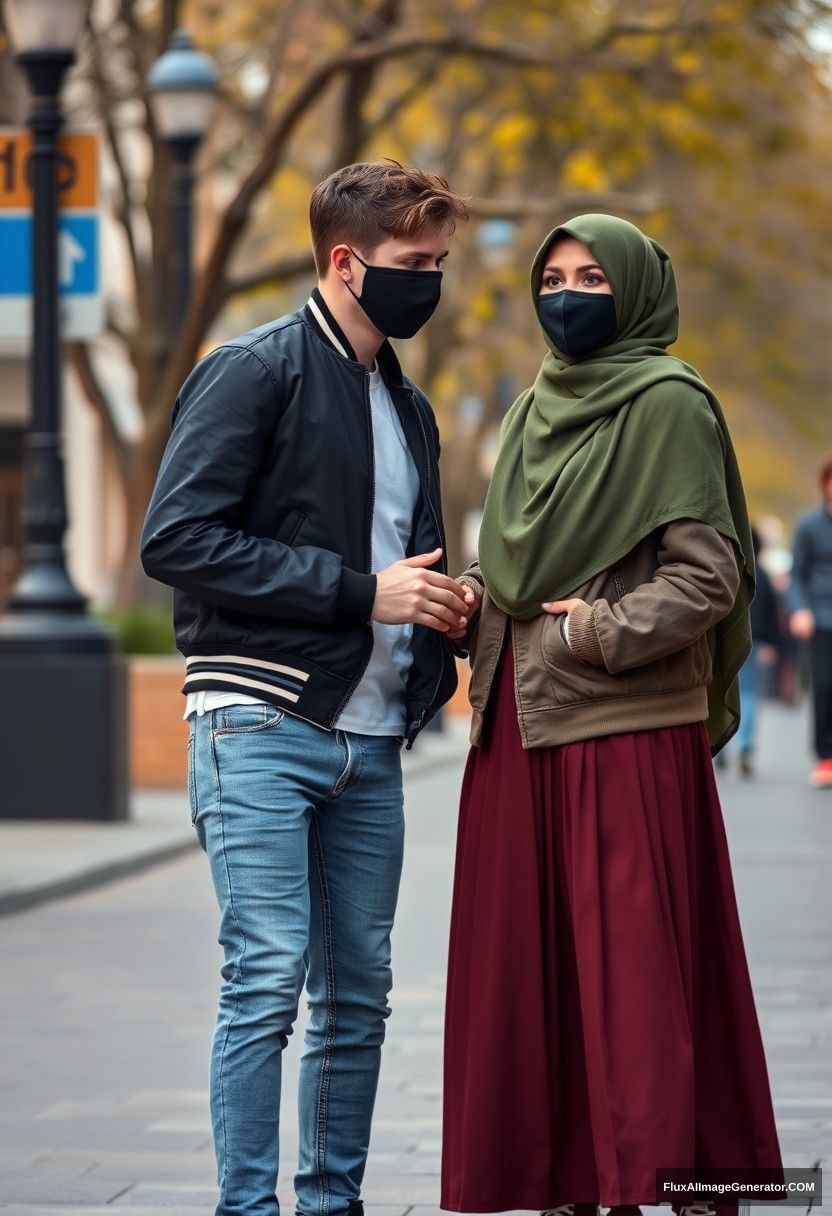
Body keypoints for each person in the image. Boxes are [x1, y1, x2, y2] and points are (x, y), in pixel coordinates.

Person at [140, 160, 476, 1216]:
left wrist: (440, 607)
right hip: (258, 719)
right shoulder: (255, 368)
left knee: (358, 999)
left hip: (370, 737)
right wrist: (356, 594)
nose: (430, 283)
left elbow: (397, 567)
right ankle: (249, 1208)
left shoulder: (408, 407)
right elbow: (177, 538)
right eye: (413, 266)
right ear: (344, 261)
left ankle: (331, 1203)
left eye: (440, 265)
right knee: (266, 981)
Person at [441, 214, 783, 1216]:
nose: (567, 293)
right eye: (553, 276)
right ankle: (565, 1182)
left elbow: (708, 575)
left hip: (618, 730)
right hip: (516, 726)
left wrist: (594, 633)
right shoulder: (532, 408)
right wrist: (468, 601)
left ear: (633, 289)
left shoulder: (669, 402)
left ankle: (654, 1176)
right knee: (531, 979)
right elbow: (520, 567)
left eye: (592, 275)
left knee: (631, 982)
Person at [787, 454, 832, 788]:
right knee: (825, 688)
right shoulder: (808, 526)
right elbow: (796, 575)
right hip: (821, 620)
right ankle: (826, 757)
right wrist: (799, 609)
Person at [730, 526, 781, 778]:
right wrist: (771, 643)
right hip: (756, 642)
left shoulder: (727, 572)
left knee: (724, 690)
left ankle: (725, 743)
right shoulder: (762, 575)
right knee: (749, 694)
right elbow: (772, 614)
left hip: (728, 640)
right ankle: (744, 746)